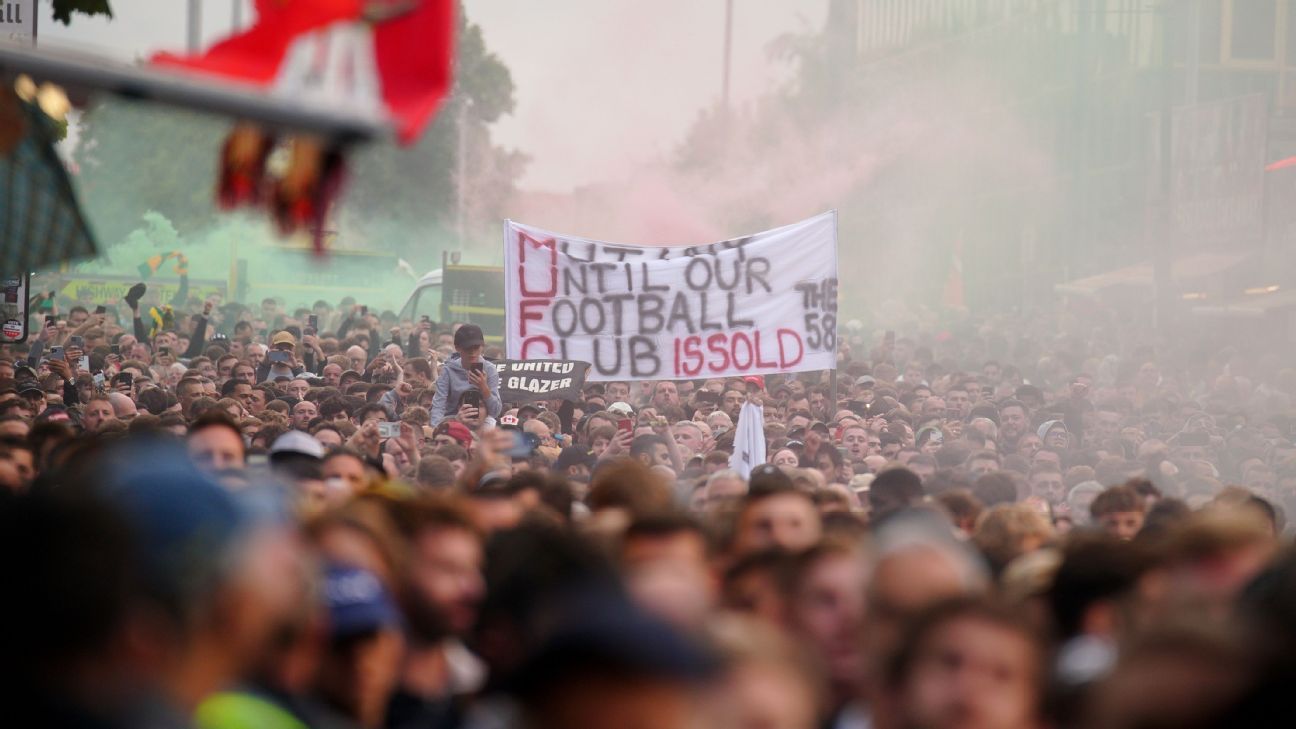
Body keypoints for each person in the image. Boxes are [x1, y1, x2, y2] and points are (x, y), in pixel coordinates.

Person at [430, 325, 500, 423]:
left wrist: (483, 387)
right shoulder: (448, 370)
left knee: (491, 422)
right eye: (467, 348)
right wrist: (437, 430)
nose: (472, 352)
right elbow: (438, 405)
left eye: (476, 347)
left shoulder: (490, 370)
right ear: (458, 348)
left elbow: (495, 412)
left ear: (482, 347)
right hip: (455, 419)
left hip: (481, 421)